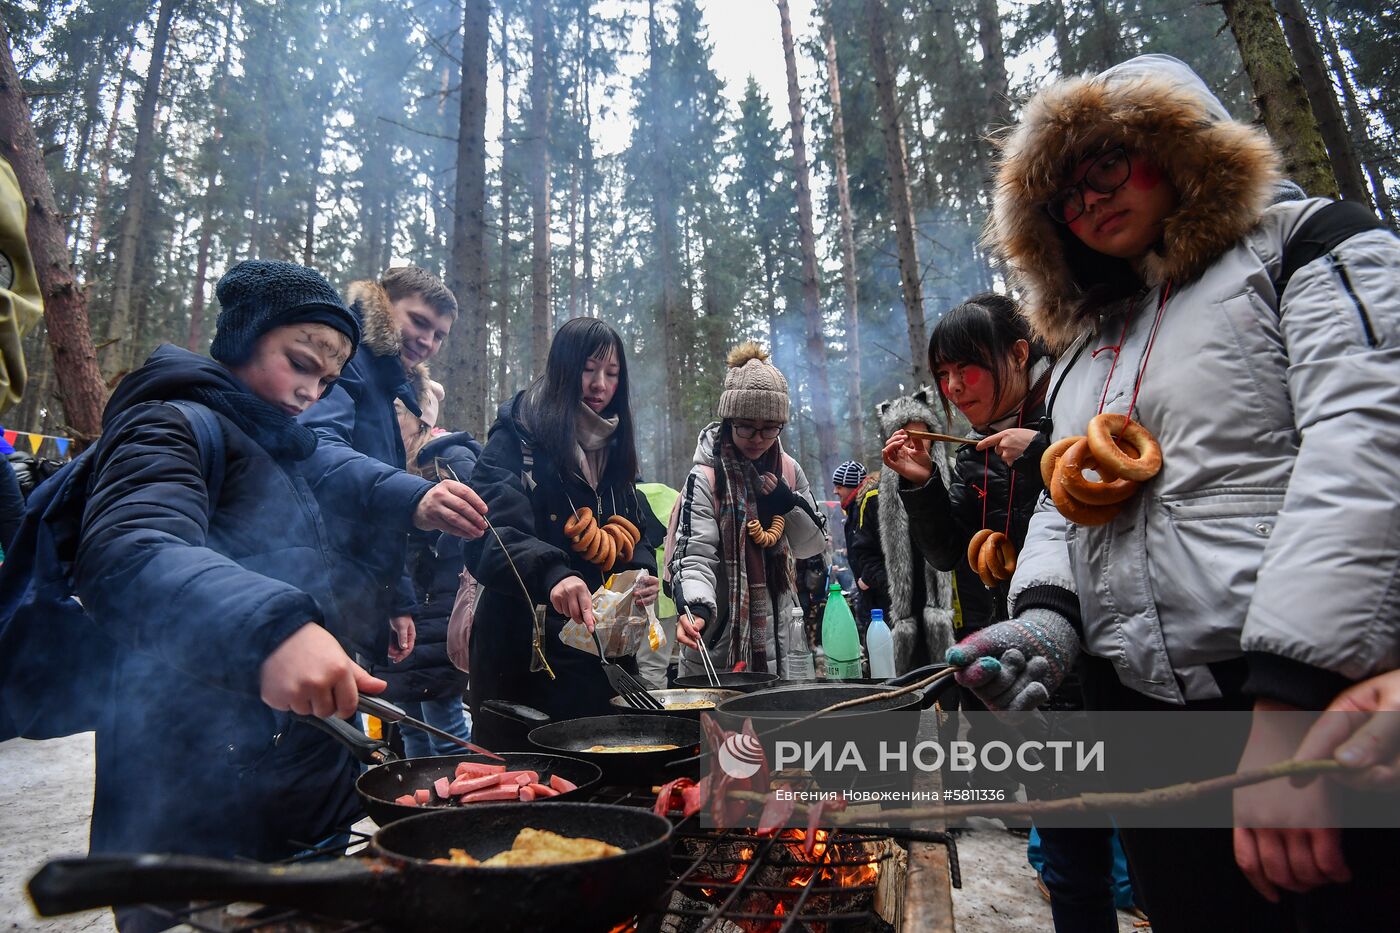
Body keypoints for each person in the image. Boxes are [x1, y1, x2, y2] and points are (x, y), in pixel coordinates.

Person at [951, 54, 1400, 930]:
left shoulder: (1308, 245)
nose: (1090, 201)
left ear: (1177, 142)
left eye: (1109, 164)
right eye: (1065, 195)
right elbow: (1063, 500)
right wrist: (1045, 618)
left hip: (1298, 707)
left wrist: (1291, 699)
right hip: (1143, 717)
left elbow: (1367, 447)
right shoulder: (1085, 345)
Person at [70, 262, 384, 929]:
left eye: (326, 381)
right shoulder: (168, 423)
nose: (310, 391)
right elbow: (129, 550)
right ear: (243, 338)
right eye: (299, 363)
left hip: (296, 772)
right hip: (190, 772)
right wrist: (273, 628)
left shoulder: (285, 445)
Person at [463, 318, 659, 747]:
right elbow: (489, 530)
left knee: (602, 775)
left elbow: (636, 526)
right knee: (524, 785)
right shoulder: (519, 437)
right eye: (589, 369)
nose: (600, 384)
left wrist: (641, 572)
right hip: (524, 660)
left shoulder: (614, 446)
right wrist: (553, 574)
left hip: (600, 658)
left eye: (612, 373)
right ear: (564, 368)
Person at [298, 266, 487, 667]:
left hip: (354, 591)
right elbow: (317, 450)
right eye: (418, 322)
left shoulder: (388, 387)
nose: (427, 341)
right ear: (383, 306)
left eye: (439, 335)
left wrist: (397, 599)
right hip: (314, 581)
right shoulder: (347, 363)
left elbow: (381, 516)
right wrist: (416, 496)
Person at [672, 342, 827, 676]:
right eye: (746, 425)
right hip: (717, 648)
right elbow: (694, 556)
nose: (758, 438)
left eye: (770, 427)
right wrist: (696, 607)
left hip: (784, 646)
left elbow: (812, 545)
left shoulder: (788, 469)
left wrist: (790, 504)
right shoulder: (706, 478)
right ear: (729, 421)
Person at [376, 382, 481, 756]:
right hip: (401, 610)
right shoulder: (389, 462)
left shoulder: (448, 459)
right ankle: (423, 810)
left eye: (399, 412)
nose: (390, 419)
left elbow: (479, 526)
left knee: (447, 731)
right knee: (410, 730)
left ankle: (464, 809)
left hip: (437, 610)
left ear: (419, 419)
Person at [851, 389, 957, 671]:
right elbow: (862, 555)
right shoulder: (874, 497)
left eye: (921, 438)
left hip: (953, 615)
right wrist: (893, 584)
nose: (914, 448)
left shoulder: (956, 479)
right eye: (904, 439)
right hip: (899, 617)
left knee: (953, 703)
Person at [637, 480, 681, 690]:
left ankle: (649, 715)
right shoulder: (668, 492)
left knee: (647, 664)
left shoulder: (629, 495)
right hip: (668, 590)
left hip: (640, 590)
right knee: (656, 663)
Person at [832, 459, 879, 626]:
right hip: (869, 591)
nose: (835, 491)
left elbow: (877, 545)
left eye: (839, 487)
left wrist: (867, 578)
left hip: (877, 591)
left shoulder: (869, 504)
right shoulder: (854, 508)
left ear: (852, 485)